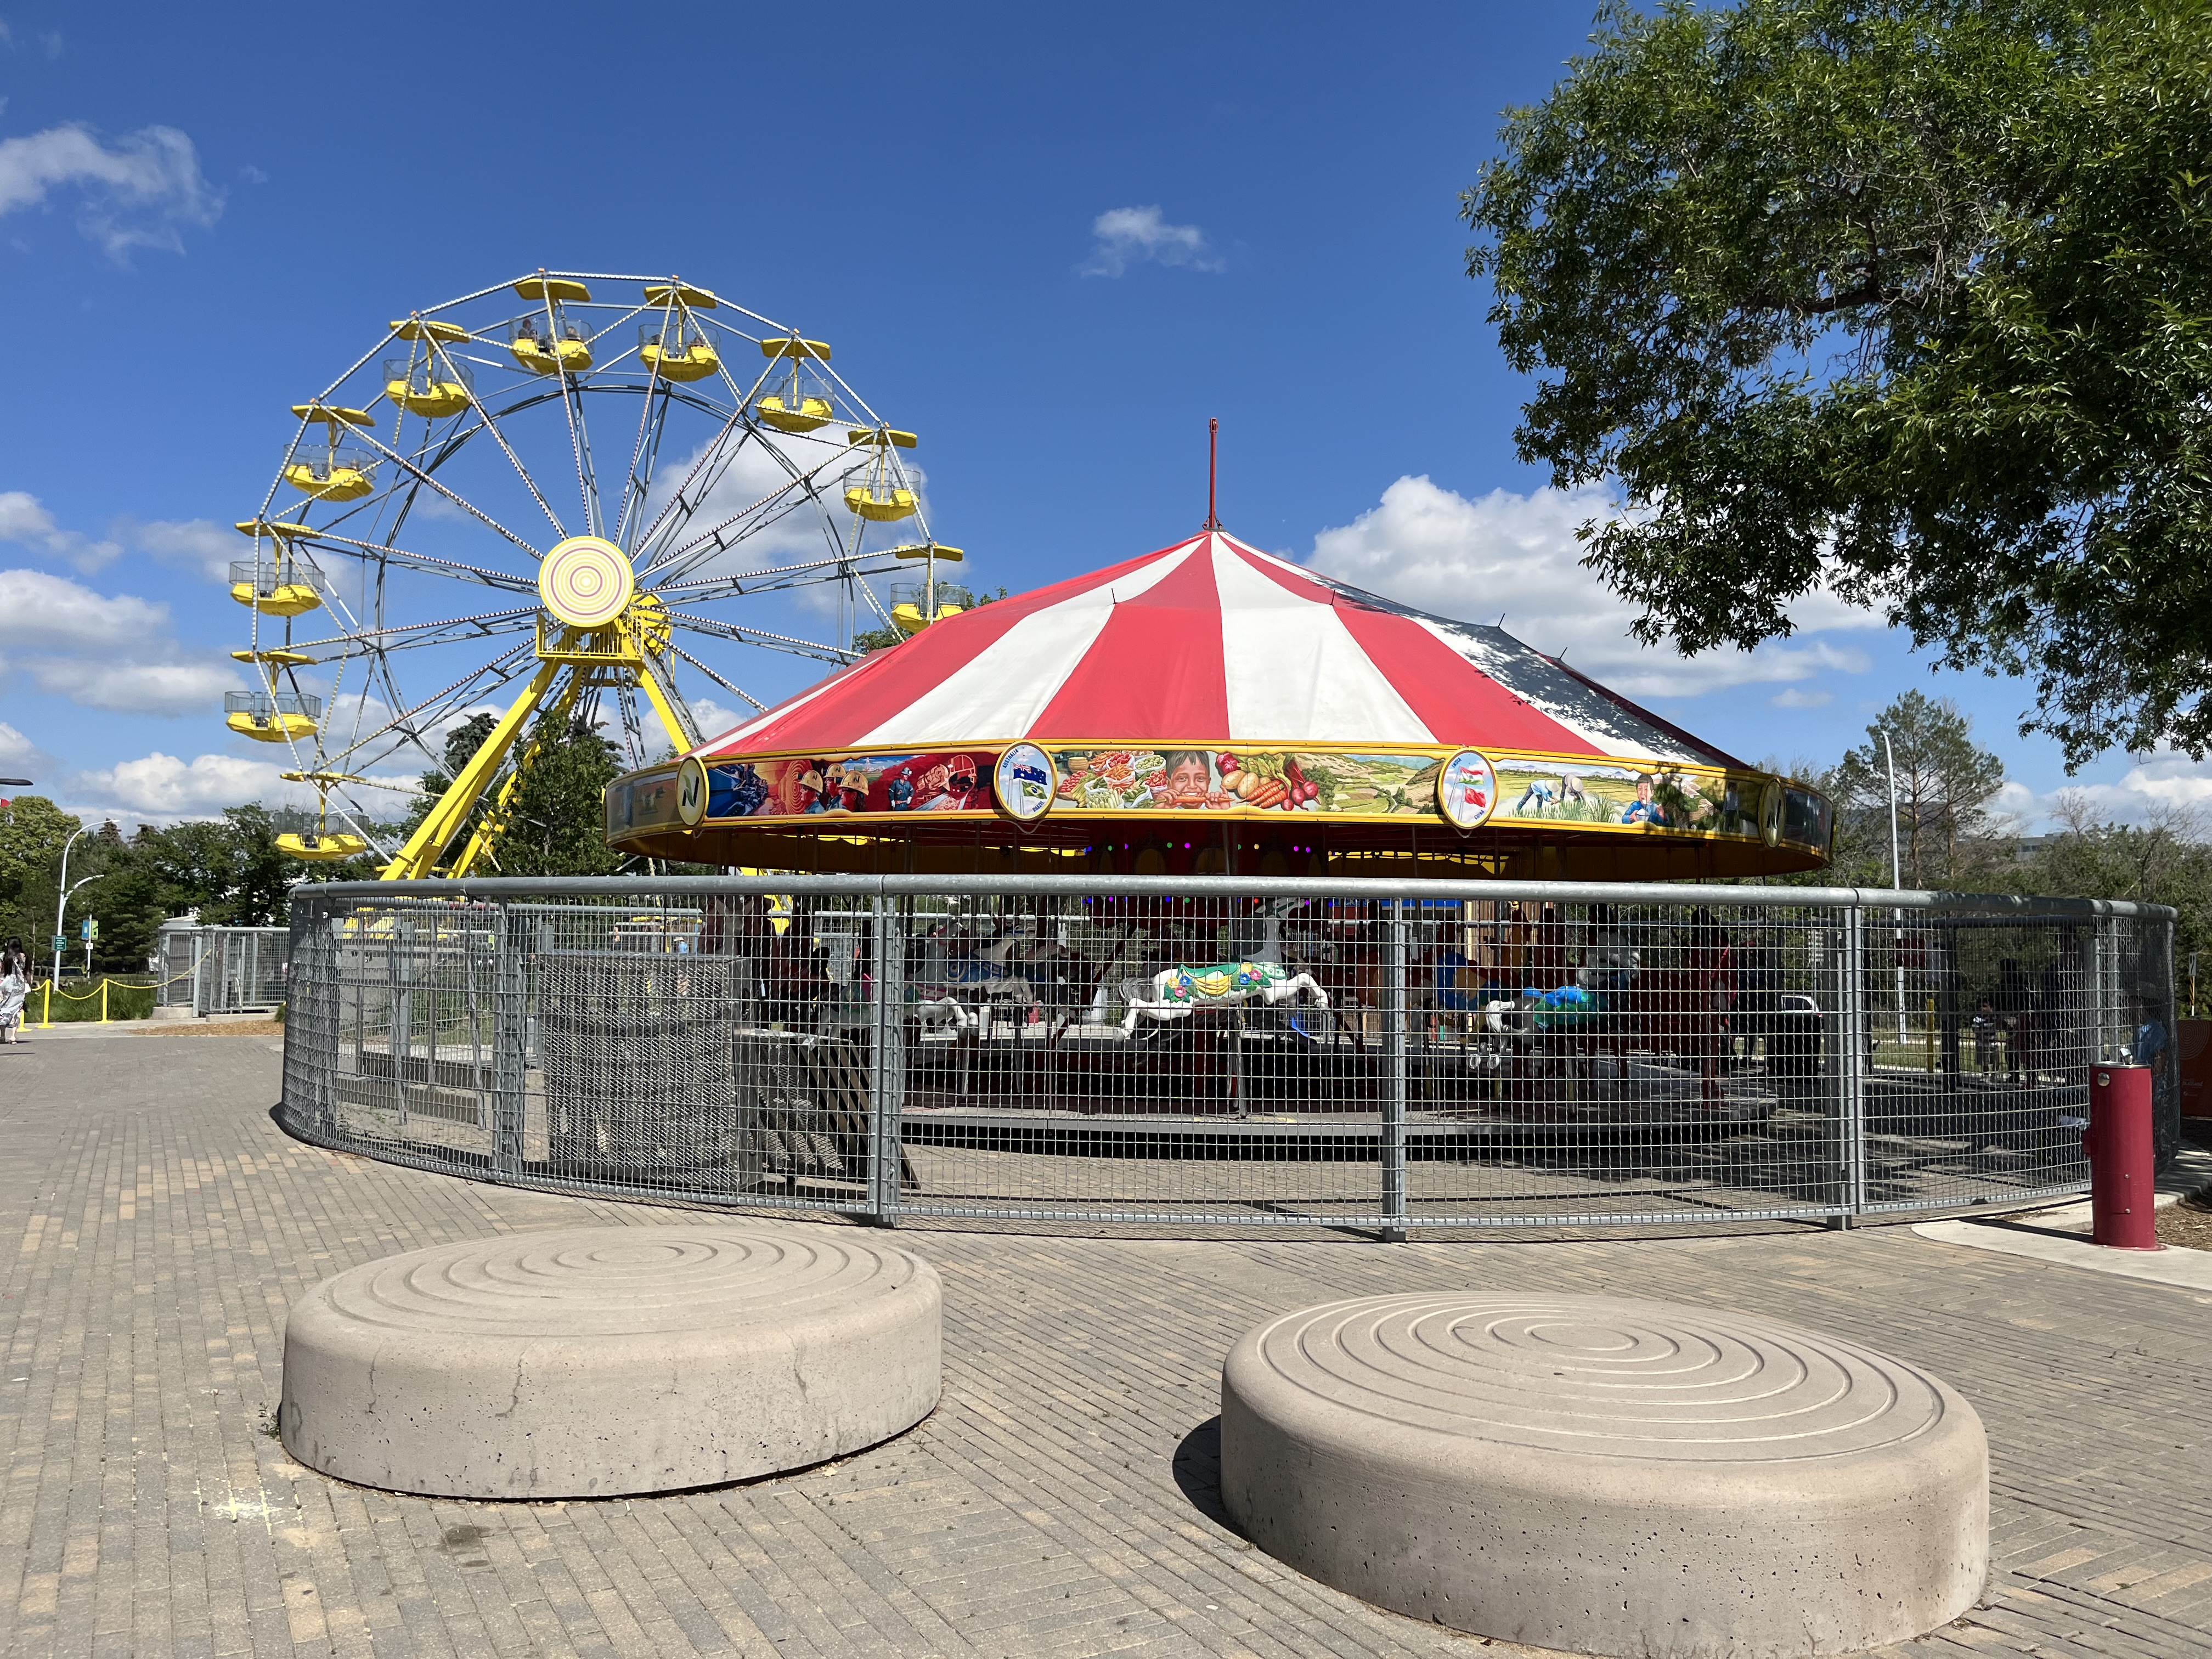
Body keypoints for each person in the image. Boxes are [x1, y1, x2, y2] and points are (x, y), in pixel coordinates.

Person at [0, 936, 29, 1046]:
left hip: (6, 984)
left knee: (3, 1008)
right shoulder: (23, 956)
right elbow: (26, 972)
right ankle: (13, 1036)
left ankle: (2, 1035)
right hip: (19, 985)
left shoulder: (3, 956)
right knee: (17, 1009)